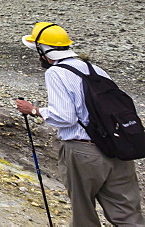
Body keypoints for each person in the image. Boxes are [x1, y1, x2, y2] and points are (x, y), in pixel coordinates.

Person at [15, 22, 145, 226]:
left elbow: (64, 117)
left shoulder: (56, 72)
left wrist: (34, 110)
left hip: (83, 152)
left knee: (84, 213)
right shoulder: (96, 70)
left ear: (42, 50)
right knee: (128, 215)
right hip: (118, 147)